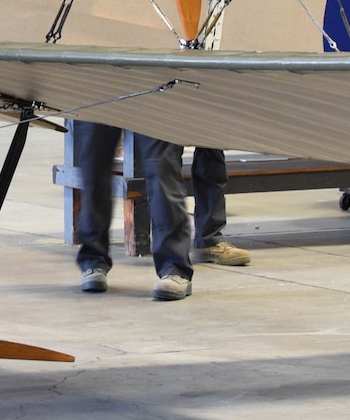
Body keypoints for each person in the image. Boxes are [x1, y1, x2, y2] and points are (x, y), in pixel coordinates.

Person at [73, 122, 250, 299]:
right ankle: (93, 260)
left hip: (150, 98)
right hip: (100, 96)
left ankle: (174, 267)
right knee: (93, 167)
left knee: (162, 170)